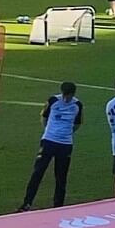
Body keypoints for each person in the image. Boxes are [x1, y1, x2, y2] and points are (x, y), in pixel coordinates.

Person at [19, 81, 83, 211]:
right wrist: (50, 131)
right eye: (64, 95)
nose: (66, 99)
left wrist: (65, 133)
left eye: (68, 96)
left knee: (61, 177)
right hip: (48, 141)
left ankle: (58, 207)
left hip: (65, 144)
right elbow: (44, 116)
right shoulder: (53, 100)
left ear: (73, 95)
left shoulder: (77, 105)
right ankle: (27, 203)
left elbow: (77, 124)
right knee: (38, 172)